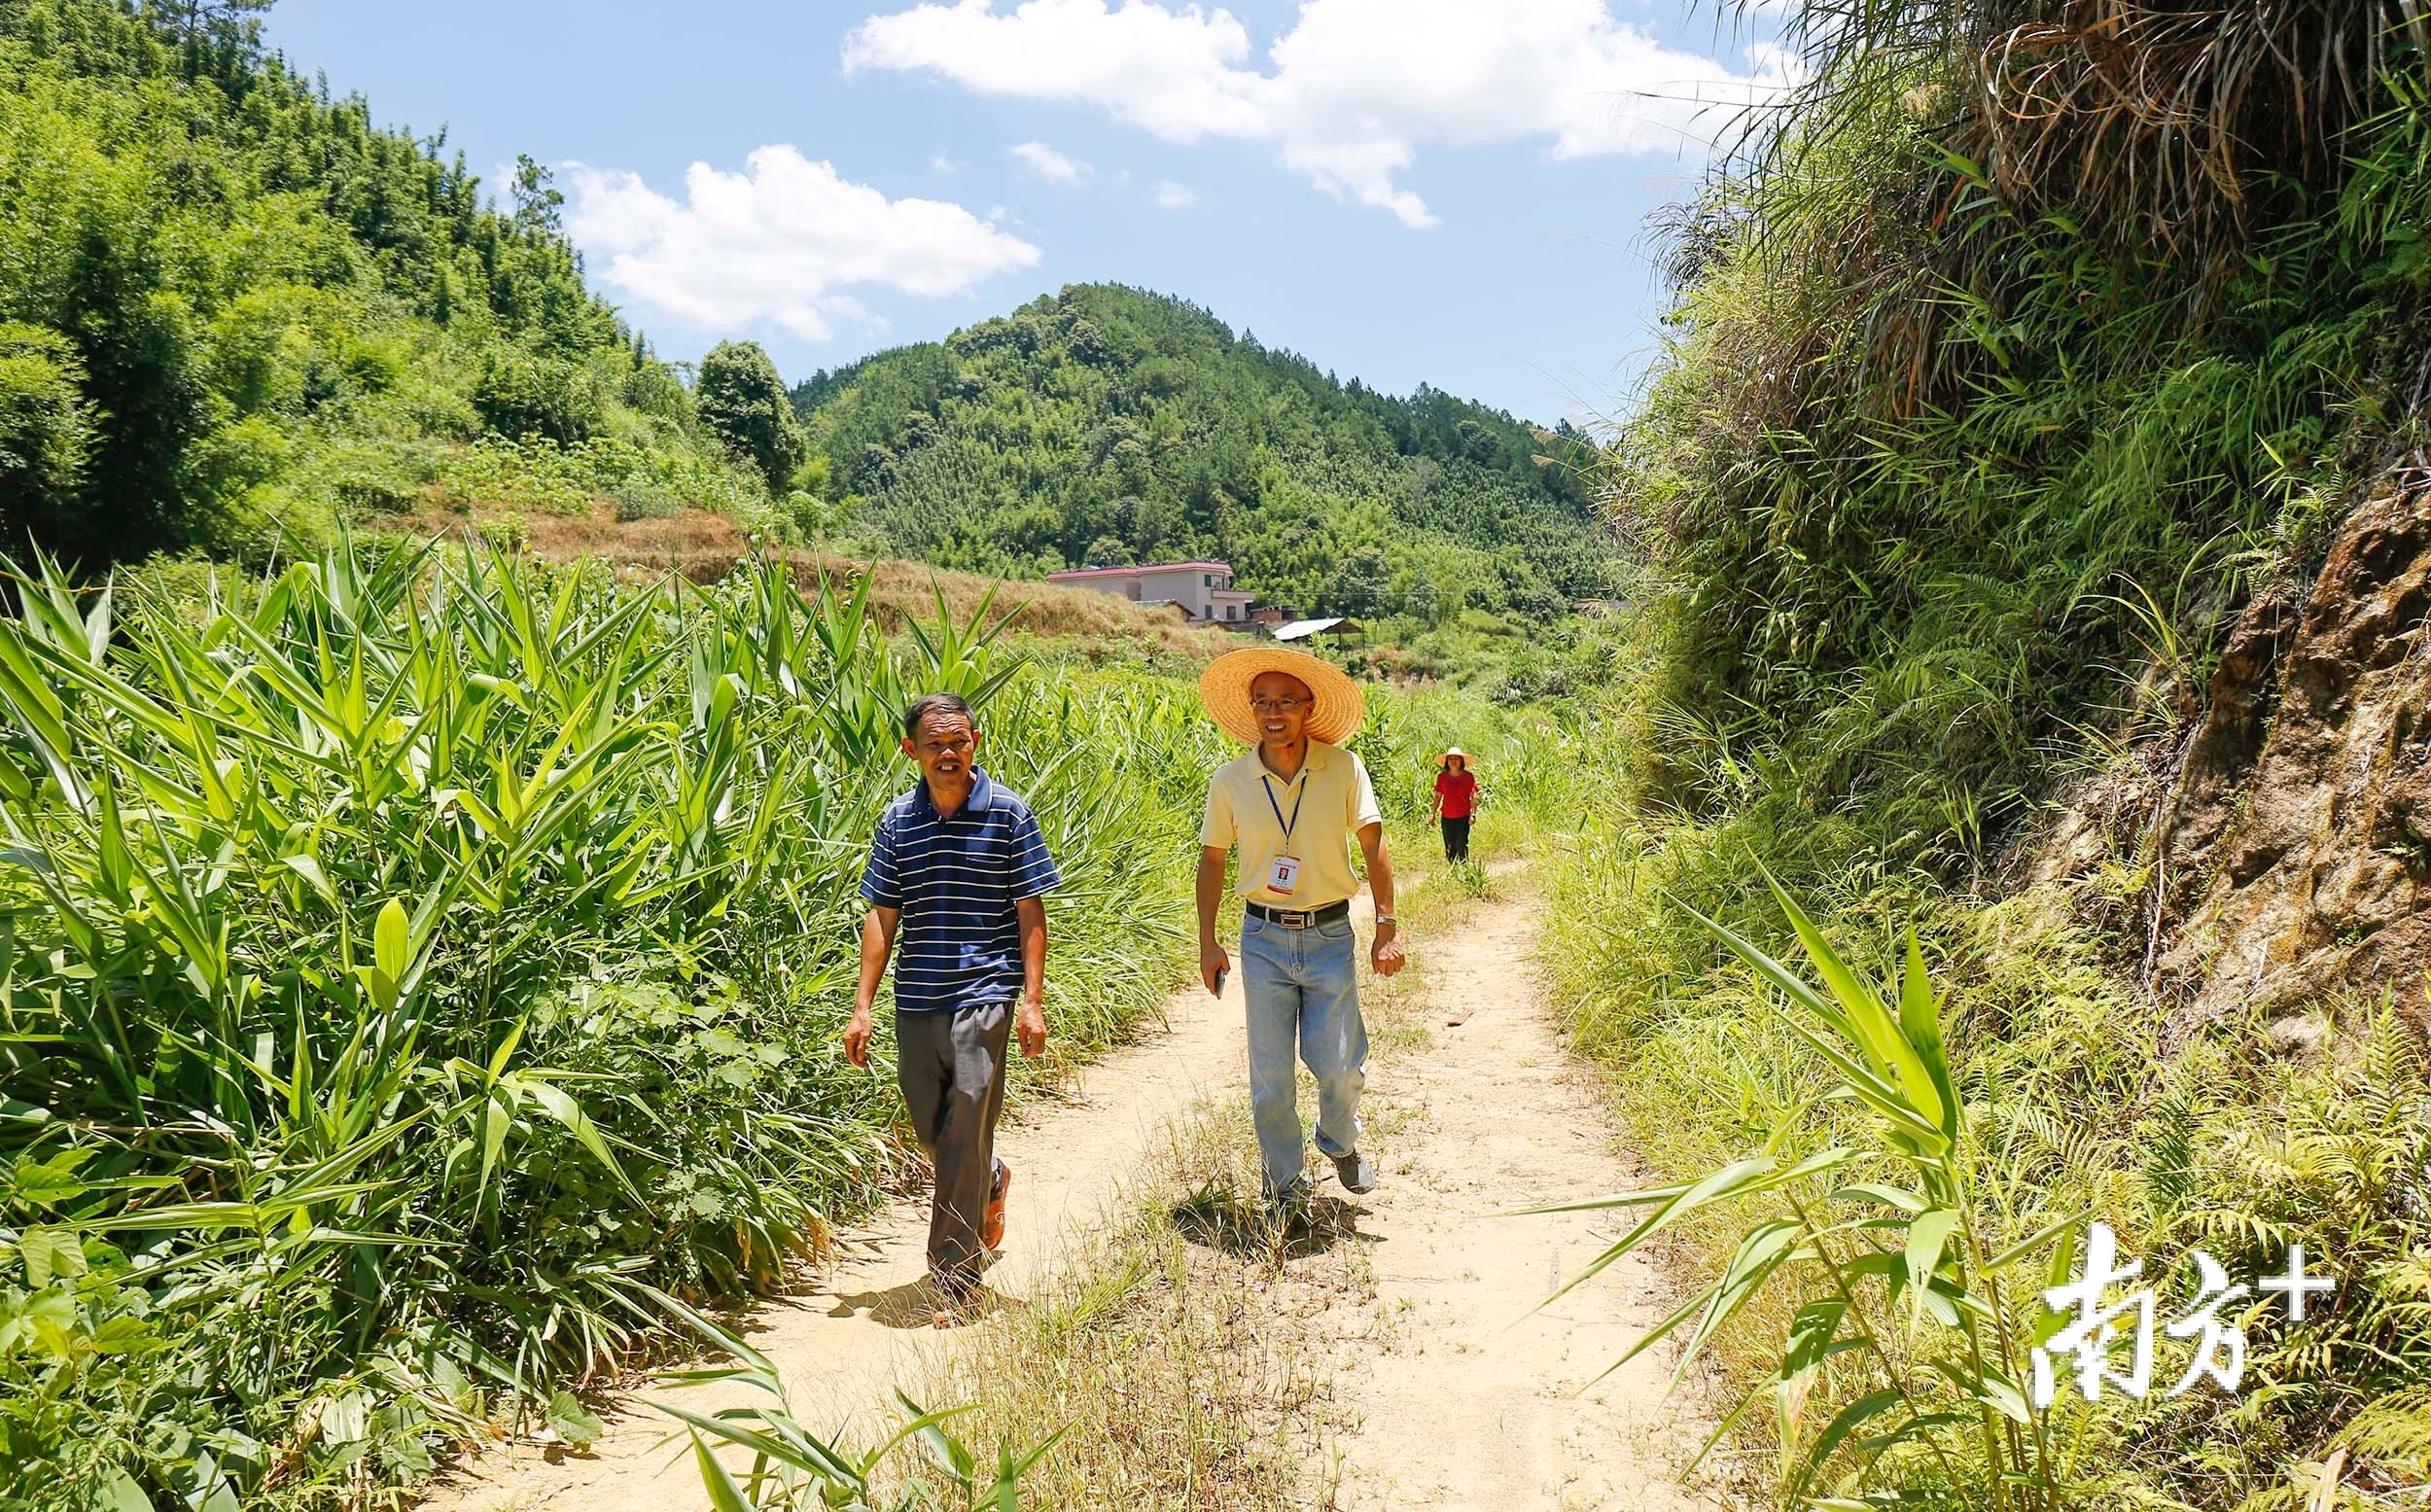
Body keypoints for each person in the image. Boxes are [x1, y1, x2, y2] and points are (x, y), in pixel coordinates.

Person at [844, 692, 1060, 1326]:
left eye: (958, 741)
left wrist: (1031, 1001)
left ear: (976, 741)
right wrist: (862, 1007)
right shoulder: (897, 823)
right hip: (918, 996)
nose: (948, 753)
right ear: (911, 750)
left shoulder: (1010, 814)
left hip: (985, 993)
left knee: (967, 1110)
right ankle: (987, 1177)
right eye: (934, 743)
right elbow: (883, 915)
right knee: (935, 1131)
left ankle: (954, 1274)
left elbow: (1030, 911)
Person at [1194, 648, 1403, 1217]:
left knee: (1339, 1063)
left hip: (1330, 934)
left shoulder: (1342, 767)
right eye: (1262, 702)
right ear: (1252, 712)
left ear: (1308, 708)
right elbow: (1213, 860)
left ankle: (1338, 1140)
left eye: (1286, 701)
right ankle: (1285, 1187)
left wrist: (1387, 924)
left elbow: (1373, 843)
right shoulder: (1232, 780)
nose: (1273, 712)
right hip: (1262, 938)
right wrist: (1208, 941)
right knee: (1270, 1074)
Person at [1431, 748, 1478, 863]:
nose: (1453, 761)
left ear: (1461, 761)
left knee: (1461, 845)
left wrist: (1473, 814)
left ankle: (1464, 871)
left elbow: (1473, 796)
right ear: (1446, 762)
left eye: (1456, 758)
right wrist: (1432, 814)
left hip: (1463, 817)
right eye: (1450, 759)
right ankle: (1453, 873)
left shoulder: (1468, 777)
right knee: (1449, 847)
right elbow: (1437, 796)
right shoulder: (1442, 777)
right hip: (1447, 817)